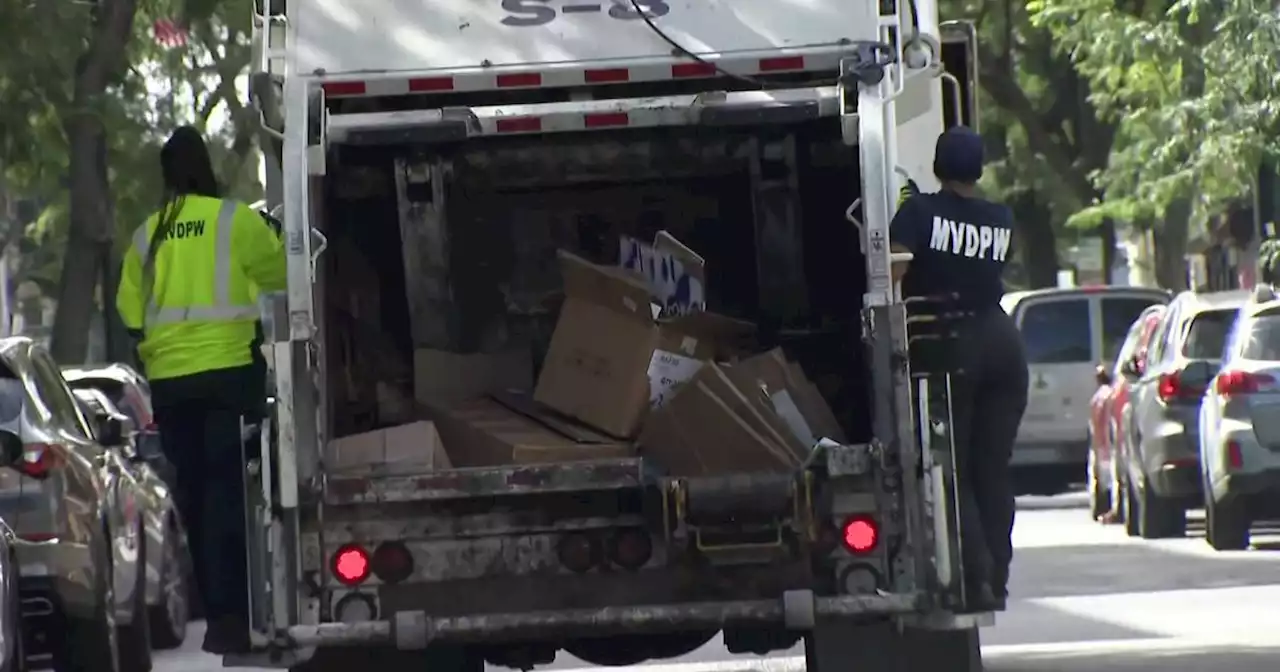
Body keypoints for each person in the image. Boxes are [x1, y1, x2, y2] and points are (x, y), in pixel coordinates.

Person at [116, 126, 287, 654]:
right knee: (229, 495)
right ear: (205, 166)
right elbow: (282, 274)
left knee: (193, 497)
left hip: (171, 386)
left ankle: (217, 616)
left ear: (167, 175)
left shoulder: (147, 236)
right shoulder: (235, 220)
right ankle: (236, 616)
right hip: (228, 378)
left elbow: (129, 314)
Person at [888, 126, 1029, 612]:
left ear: (936, 167)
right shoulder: (1001, 217)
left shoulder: (920, 211)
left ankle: (976, 580)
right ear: (980, 169)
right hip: (1004, 343)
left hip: (954, 346)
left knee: (955, 472)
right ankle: (1000, 577)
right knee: (993, 470)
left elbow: (890, 272)